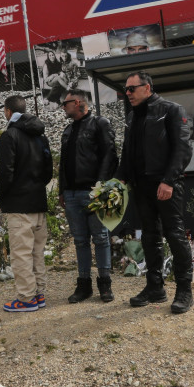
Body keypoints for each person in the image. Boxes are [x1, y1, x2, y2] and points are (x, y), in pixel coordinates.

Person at [116, 71, 193, 314]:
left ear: (147, 88)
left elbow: (183, 149)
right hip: (141, 186)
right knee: (149, 236)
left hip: (166, 184)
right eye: (126, 90)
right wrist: (118, 181)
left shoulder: (171, 110)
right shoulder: (132, 116)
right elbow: (127, 152)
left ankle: (184, 291)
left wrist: (169, 181)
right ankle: (155, 288)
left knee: (175, 234)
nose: (127, 93)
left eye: (132, 89)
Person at [59, 89, 118, 304]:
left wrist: (101, 187)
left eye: (65, 104)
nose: (63, 107)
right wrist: (61, 190)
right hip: (72, 194)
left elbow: (110, 155)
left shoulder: (100, 124)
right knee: (80, 240)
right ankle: (84, 285)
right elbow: (63, 163)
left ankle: (105, 283)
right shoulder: (67, 131)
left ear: (77, 102)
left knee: (101, 237)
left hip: (94, 192)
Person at [0, 95, 53, 312]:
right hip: (38, 202)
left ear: (8, 111)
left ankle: (26, 299)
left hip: (18, 205)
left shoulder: (9, 136)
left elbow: (5, 173)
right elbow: (49, 172)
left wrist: (1, 196)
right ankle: (39, 294)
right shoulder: (41, 137)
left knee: (21, 253)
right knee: (37, 252)